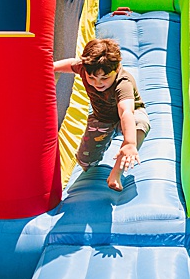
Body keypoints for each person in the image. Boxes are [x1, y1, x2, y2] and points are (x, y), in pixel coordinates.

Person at [53, 38, 150, 191]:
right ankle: (93, 157)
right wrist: (52, 67)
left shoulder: (122, 83)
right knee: (86, 162)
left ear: (116, 68)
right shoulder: (85, 68)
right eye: (92, 78)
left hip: (128, 116)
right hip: (102, 118)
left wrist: (130, 142)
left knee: (140, 124)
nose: (98, 83)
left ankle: (116, 174)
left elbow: (126, 112)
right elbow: (72, 64)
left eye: (104, 78)